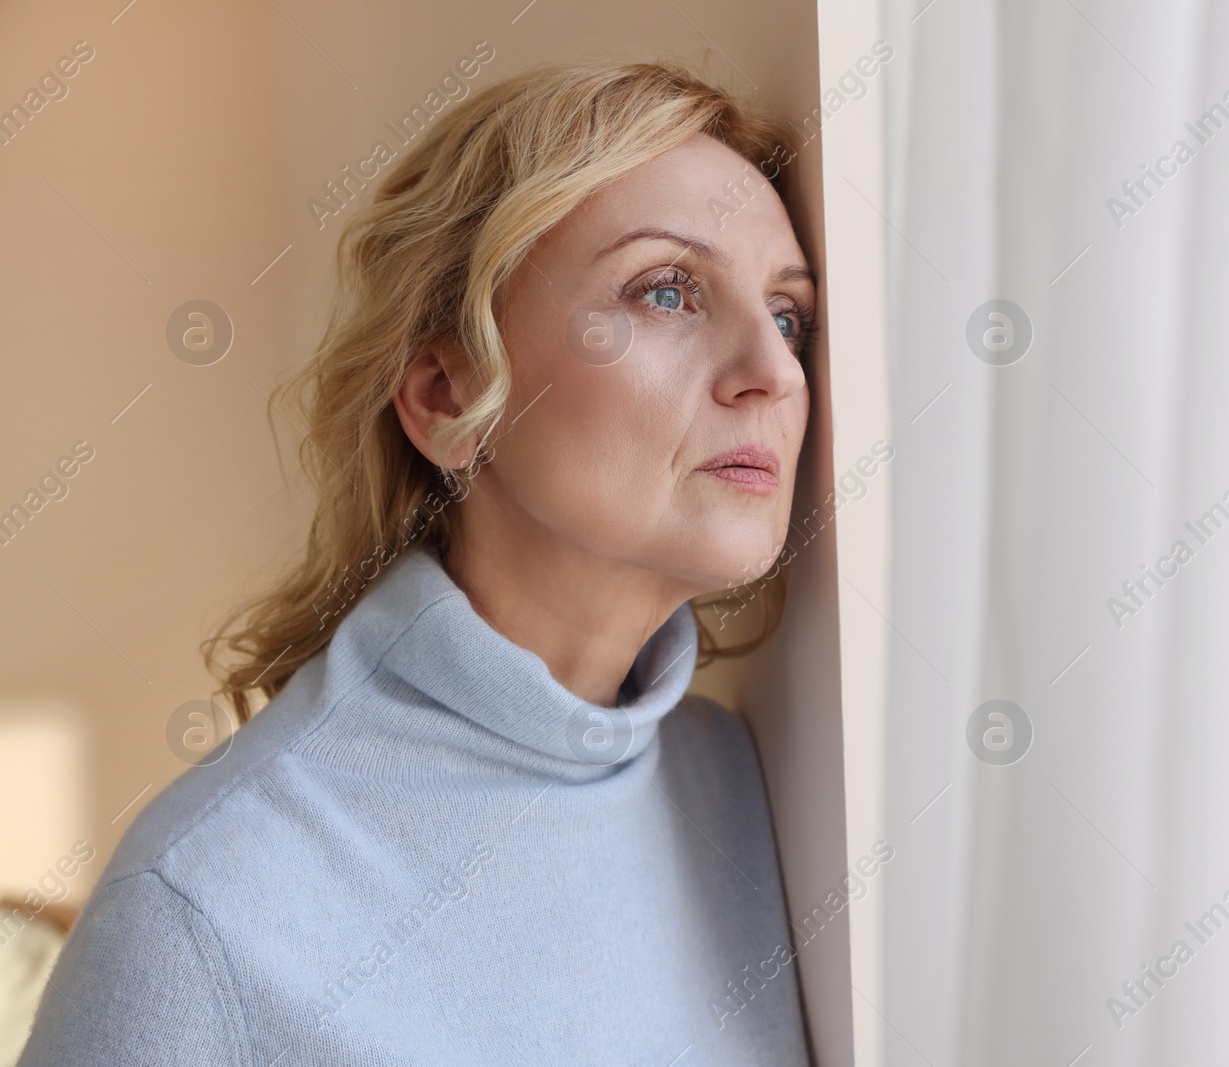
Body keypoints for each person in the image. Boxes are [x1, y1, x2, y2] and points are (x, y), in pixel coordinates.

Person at [19, 60, 816, 1066]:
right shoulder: (199, 908)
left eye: (789, 316)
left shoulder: (735, 782)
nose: (775, 372)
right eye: (666, 291)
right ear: (444, 394)